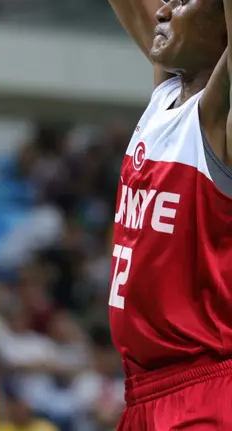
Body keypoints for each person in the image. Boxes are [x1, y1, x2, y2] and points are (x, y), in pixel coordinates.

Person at [107, 0, 232, 429]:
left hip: (205, 392)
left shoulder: (221, 118)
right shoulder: (166, 95)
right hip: (142, 393)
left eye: (183, 1)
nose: (162, 9)